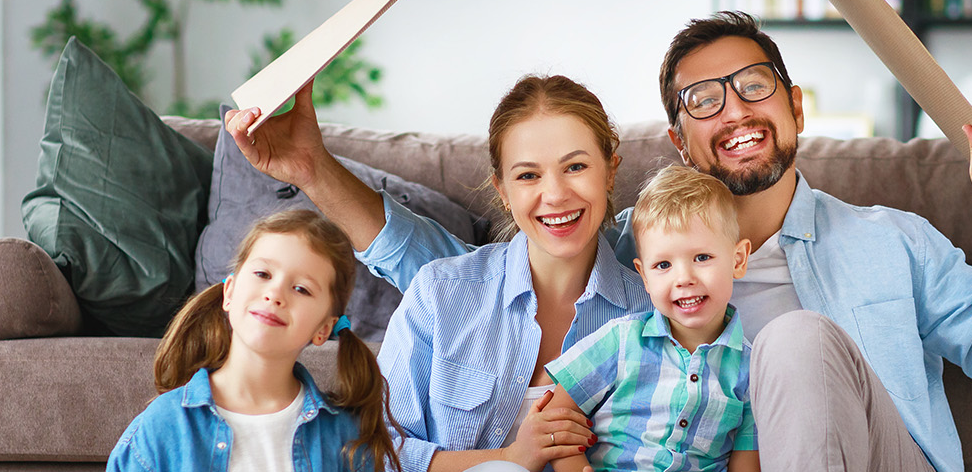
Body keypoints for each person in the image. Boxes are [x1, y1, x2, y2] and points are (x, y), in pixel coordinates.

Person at [233, 11, 972, 472]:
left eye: (753, 88)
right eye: (704, 101)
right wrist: (312, 169)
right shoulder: (637, 252)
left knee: (796, 340)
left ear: (796, 107)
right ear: (675, 142)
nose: (735, 111)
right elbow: (470, 281)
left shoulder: (891, 240)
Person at [225, 75, 655, 472]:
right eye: (528, 175)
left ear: (610, 170)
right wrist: (509, 460)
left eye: (576, 167)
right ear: (502, 191)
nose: (556, 194)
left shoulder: (652, 314)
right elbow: (375, 450)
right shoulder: (441, 293)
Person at [107, 210, 398, 472]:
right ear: (229, 292)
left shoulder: (344, 438)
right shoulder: (164, 425)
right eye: (262, 274)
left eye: (301, 289)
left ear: (323, 328)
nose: (274, 294)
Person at [543, 165, 759, 472]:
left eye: (702, 258)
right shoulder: (620, 340)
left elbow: (746, 463)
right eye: (663, 265)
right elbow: (557, 414)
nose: (684, 278)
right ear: (644, 276)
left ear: (738, 260)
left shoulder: (751, 371)